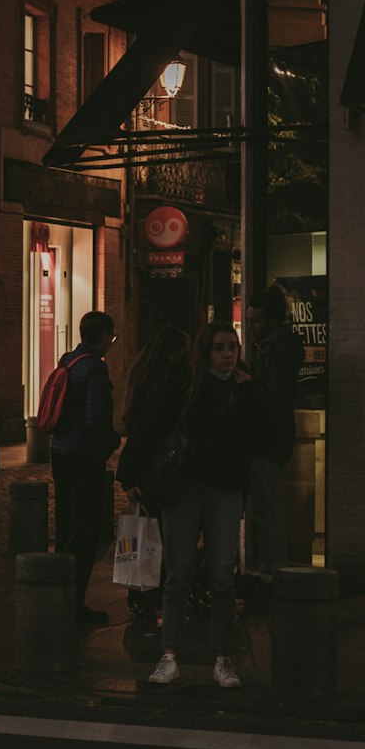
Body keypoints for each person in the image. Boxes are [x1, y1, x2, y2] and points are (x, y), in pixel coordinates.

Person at [149, 321, 261, 689]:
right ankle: (170, 655)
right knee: (177, 573)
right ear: (206, 351)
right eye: (219, 348)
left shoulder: (244, 389)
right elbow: (156, 425)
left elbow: (260, 434)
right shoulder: (187, 385)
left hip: (225, 489)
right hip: (185, 488)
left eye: (232, 347)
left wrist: (249, 394)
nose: (227, 354)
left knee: (222, 575)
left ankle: (223, 657)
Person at [115, 325, 191, 622]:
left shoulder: (145, 378)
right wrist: (130, 476)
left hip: (148, 470)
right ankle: (151, 594)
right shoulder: (163, 386)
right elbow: (146, 434)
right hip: (156, 471)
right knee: (157, 535)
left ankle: (145, 592)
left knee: (150, 533)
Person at [49, 309, 120, 626]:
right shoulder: (94, 368)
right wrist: (111, 443)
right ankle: (74, 603)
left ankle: (58, 597)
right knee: (84, 531)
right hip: (83, 456)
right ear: (103, 335)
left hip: (60, 451)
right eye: (111, 337)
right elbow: (95, 419)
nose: (111, 342)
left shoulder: (68, 360)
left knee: (66, 525)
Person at [246, 285, 304, 585]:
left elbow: (274, 396)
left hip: (270, 441)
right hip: (267, 439)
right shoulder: (269, 346)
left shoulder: (281, 348)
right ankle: (270, 565)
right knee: (265, 506)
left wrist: (248, 384)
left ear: (270, 320)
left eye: (255, 320)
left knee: (268, 506)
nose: (251, 326)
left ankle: (275, 569)